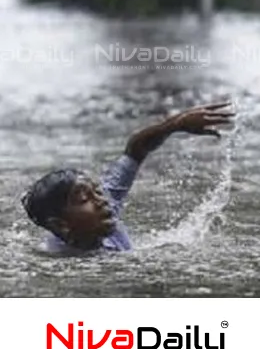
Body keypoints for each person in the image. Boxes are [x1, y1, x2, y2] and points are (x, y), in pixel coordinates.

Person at [21, 101, 235, 254]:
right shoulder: (58, 265)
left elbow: (135, 149)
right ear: (61, 225)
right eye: (85, 199)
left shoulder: (105, 209)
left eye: (97, 191)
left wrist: (175, 124)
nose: (102, 199)